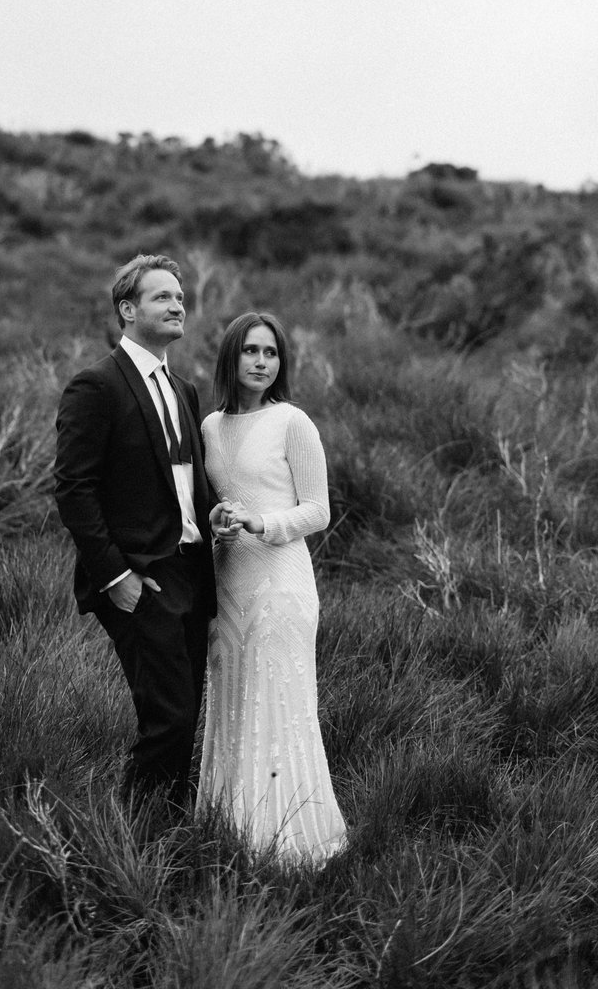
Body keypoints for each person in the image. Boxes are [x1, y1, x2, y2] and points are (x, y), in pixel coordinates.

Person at [55, 254, 216, 812]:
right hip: (139, 577)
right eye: (161, 296)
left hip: (192, 571)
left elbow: (185, 481)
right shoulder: (95, 386)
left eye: (180, 296)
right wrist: (116, 576)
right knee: (167, 715)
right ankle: (133, 842)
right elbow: (74, 489)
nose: (177, 305)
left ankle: (167, 827)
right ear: (128, 310)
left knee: (186, 711)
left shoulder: (184, 390)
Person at [197, 311, 347, 864]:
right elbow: (213, 496)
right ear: (231, 358)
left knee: (278, 704)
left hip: (281, 582)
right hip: (227, 578)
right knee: (232, 701)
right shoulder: (210, 426)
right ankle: (231, 831)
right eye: (251, 352)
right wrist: (217, 520)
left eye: (272, 353)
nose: (262, 363)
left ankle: (291, 842)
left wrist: (266, 523)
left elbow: (318, 510)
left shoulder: (293, 422)